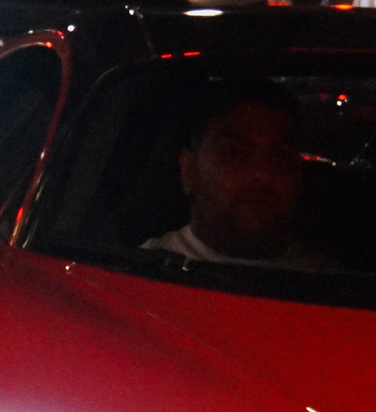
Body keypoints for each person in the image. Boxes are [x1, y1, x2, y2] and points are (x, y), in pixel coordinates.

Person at [143, 80, 336, 270]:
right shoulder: (141, 270)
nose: (263, 173)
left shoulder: (332, 284)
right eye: (233, 152)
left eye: (280, 155)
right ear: (188, 169)